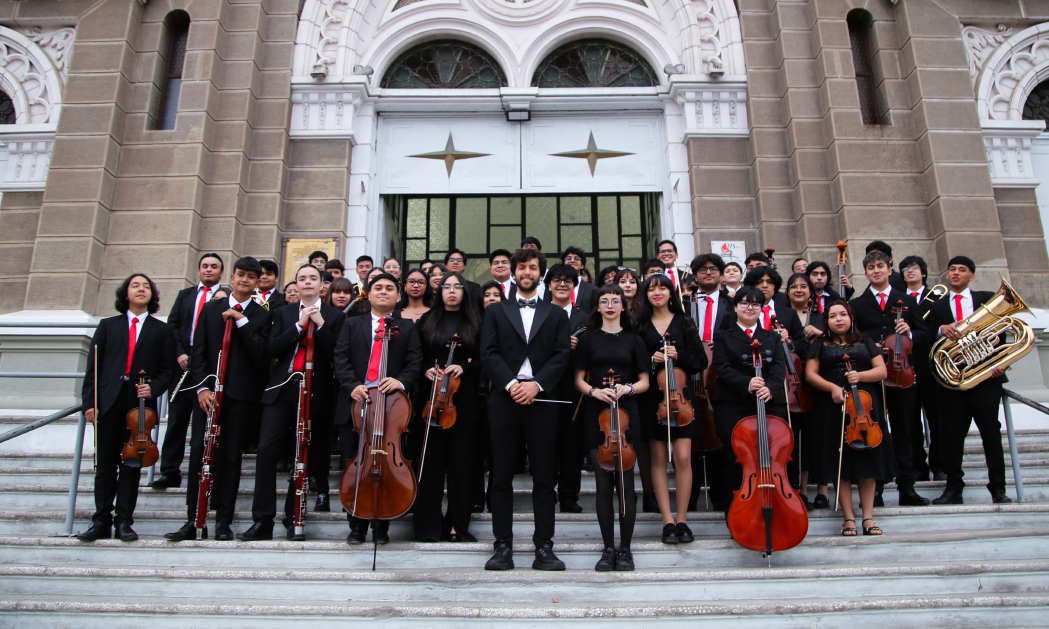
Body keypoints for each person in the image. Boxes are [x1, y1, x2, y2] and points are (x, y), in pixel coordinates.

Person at [166, 257, 271, 542]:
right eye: (241, 275)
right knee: (200, 451)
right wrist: (201, 388)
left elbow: (261, 357)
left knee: (231, 456)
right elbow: (198, 351)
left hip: (240, 395)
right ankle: (193, 519)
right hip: (208, 394)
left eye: (252, 276)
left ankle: (224, 521)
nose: (245, 280)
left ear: (257, 281)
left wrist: (242, 321)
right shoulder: (212, 309)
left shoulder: (261, 315)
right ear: (233, 277)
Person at [238, 264, 345, 541]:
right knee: (266, 450)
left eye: (313, 278)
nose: (307, 282)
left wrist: (319, 324)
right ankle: (262, 520)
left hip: (316, 392)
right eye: (301, 279)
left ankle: (294, 516)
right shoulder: (283, 313)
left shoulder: (334, 316)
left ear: (322, 285)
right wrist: (299, 325)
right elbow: (272, 348)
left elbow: (337, 354)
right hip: (282, 389)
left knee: (304, 454)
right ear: (295, 285)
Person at [480, 247, 571, 571]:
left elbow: (562, 356)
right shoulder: (495, 311)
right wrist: (512, 385)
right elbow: (488, 353)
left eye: (533, 267)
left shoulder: (557, 314)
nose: (527, 272)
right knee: (501, 475)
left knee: (545, 476)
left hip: (543, 400)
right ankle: (502, 546)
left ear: (540, 273)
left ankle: (544, 547)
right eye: (522, 267)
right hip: (505, 399)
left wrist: (536, 385)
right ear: (514, 273)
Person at [78, 274, 177, 542]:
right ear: (126, 294)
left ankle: (124, 521)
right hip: (109, 400)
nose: (141, 289)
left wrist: (154, 388)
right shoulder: (108, 326)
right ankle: (100, 520)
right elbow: (93, 368)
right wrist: (90, 403)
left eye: (146, 286)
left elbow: (168, 370)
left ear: (152, 296)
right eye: (136, 285)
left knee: (132, 462)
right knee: (105, 463)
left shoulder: (163, 330)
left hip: (140, 404)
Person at [334, 273, 424, 544]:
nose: (383, 292)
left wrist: (399, 381)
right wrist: (353, 385)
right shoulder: (352, 324)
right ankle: (356, 523)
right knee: (355, 462)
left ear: (399, 296)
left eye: (389, 289)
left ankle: (382, 524)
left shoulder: (406, 327)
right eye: (378, 288)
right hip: (357, 402)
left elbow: (414, 362)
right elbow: (340, 358)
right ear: (368, 295)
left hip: (391, 405)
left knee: (386, 463)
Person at [574, 284, 650, 571]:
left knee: (626, 485)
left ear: (623, 305)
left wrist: (628, 388)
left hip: (627, 412)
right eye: (603, 301)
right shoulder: (588, 340)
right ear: (597, 306)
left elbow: (645, 380)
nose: (609, 305)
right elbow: (579, 379)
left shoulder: (634, 340)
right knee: (603, 484)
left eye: (614, 301)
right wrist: (595, 392)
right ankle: (608, 549)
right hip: (597, 412)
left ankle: (626, 549)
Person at [848, 250, 930, 507]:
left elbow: (926, 335)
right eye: (871, 267)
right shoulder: (857, 305)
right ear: (865, 273)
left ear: (889, 269)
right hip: (873, 378)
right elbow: (852, 339)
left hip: (902, 375)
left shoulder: (906, 300)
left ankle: (907, 488)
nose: (876, 270)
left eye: (880, 266)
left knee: (905, 431)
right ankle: (877, 490)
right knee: (876, 432)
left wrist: (911, 334)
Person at [927, 256, 1012, 505]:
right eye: (952, 269)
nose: (955, 273)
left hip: (985, 379)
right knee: (951, 437)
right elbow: (927, 335)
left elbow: (1001, 329)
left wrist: (1000, 362)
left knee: (991, 435)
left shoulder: (985, 298)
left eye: (962, 270)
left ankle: (998, 488)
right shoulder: (938, 306)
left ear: (971, 276)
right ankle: (954, 489)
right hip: (954, 381)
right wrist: (941, 330)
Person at [805, 301, 895, 536]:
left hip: (864, 407)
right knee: (841, 464)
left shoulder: (865, 341)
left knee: (868, 461)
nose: (838, 319)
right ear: (826, 322)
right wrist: (833, 388)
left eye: (843, 314)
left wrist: (860, 375)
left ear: (851, 317)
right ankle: (848, 518)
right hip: (833, 407)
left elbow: (882, 371)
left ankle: (868, 517)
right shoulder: (819, 344)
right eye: (832, 316)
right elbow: (810, 375)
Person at [413, 270, 484, 542]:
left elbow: (484, 359)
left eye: (457, 286)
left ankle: (457, 525)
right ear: (439, 292)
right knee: (429, 463)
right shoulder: (426, 320)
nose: (451, 290)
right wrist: (425, 370)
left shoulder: (475, 322)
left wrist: (465, 368)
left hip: (461, 398)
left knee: (461, 462)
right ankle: (428, 526)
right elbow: (415, 356)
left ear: (465, 292)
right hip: (430, 399)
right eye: (446, 286)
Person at [636, 274, 706, 542]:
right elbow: (633, 363)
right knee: (657, 459)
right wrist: (649, 360)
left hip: (681, 397)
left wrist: (680, 357)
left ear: (670, 292)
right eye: (652, 289)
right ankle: (667, 520)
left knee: (684, 458)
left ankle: (682, 519)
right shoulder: (639, 324)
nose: (657, 292)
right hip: (653, 398)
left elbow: (700, 360)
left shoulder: (684, 321)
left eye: (662, 288)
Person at [711, 286, 787, 512]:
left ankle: (774, 506)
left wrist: (771, 388)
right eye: (744, 303)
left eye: (755, 304)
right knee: (737, 457)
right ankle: (737, 511)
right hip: (733, 404)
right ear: (735, 307)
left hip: (768, 401)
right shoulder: (723, 335)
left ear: (762, 309)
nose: (750, 308)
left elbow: (779, 367)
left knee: (771, 456)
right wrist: (747, 383)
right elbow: (722, 367)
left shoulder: (772, 337)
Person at [151, 253, 223, 490]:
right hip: (182, 366)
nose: (209, 270)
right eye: (205, 266)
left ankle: (205, 472)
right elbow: (172, 325)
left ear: (222, 273)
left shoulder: (226, 298)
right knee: (177, 420)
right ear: (199, 270)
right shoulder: (186, 295)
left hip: (208, 367)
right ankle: (170, 471)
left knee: (205, 423)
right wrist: (180, 353)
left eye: (214, 267)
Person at [686, 253, 735, 510]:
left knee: (722, 436)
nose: (708, 272)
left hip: (720, 377)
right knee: (690, 438)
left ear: (721, 273)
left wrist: (724, 343)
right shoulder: (684, 304)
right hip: (692, 377)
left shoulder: (734, 303)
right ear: (694, 275)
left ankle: (722, 497)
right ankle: (690, 500)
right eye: (702, 269)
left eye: (713, 268)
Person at [545, 264, 589, 513]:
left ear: (574, 286)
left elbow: (594, 351)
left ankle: (569, 496)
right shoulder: (539, 313)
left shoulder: (585, 319)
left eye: (568, 281)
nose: (562, 284)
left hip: (574, 386)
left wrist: (577, 347)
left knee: (572, 444)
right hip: (546, 388)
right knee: (546, 442)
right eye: (557, 280)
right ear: (549, 284)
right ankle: (546, 491)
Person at [900, 254, 942, 481]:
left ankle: (939, 462)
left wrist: (913, 333)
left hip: (930, 365)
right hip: (906, 366)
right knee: (911, 421)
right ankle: (918, 465)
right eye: (905, 269)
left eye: (914, 267)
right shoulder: (899, 299)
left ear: (923, 272)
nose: (910, 271)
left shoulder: (937, 297)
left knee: (937, 418)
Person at [560, 246, 598, 313]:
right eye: (568, 258)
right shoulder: (554, 287)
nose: (572, 260)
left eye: (576, 258)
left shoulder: (593, 290)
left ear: (582, 266)